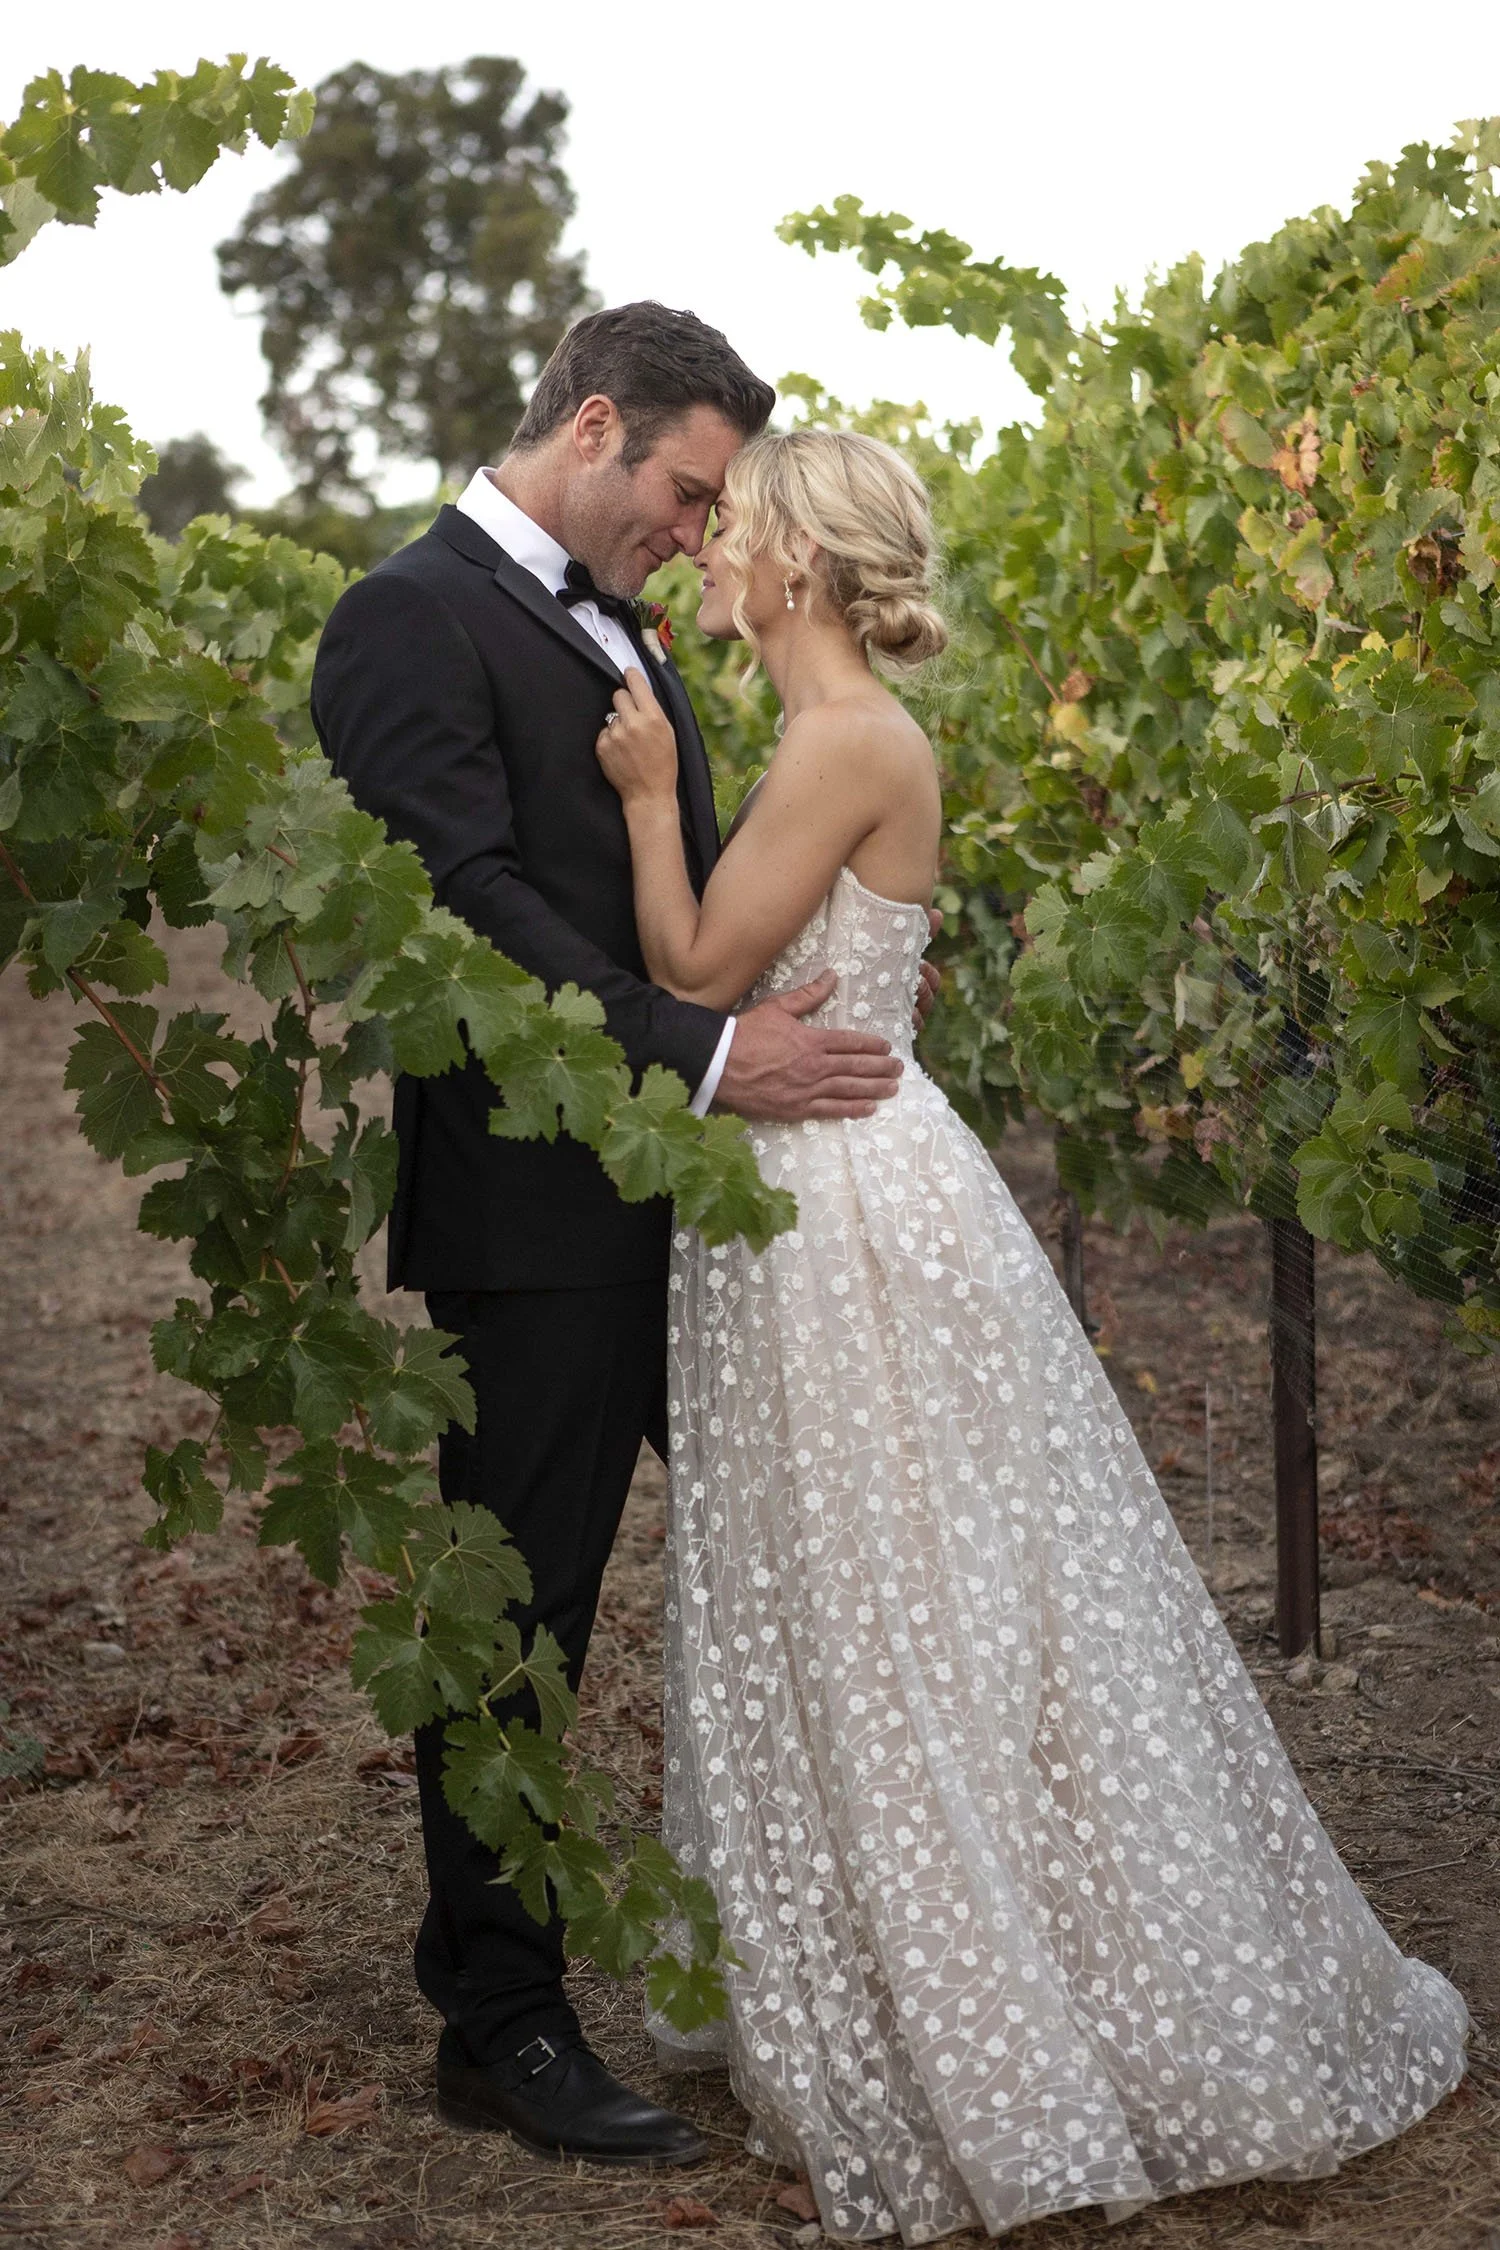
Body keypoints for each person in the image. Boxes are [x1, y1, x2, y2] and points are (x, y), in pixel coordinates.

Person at [593, 425, 1470, 2242]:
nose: (706, 552)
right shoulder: (835, 737)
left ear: (804, 569)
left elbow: (688, 972)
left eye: (733, 528)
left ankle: (990, 2011)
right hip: (837, 1177)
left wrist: (642, 799)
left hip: (837, 1204)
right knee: (910, 1582)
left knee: (888, 1592)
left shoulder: (839, 744)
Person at [310, 306, 939, 2167]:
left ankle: (874, 1945)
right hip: (538, 1214)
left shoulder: (622, 618)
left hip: (709, 1205)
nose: (695, 526)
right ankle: (499, 2015)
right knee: (525, 1611)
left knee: (819, 1570)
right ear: (593, 425)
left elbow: (683, 889)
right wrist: (710, 1046)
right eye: (683, 488)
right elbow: (468, 904)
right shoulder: (404, 616)